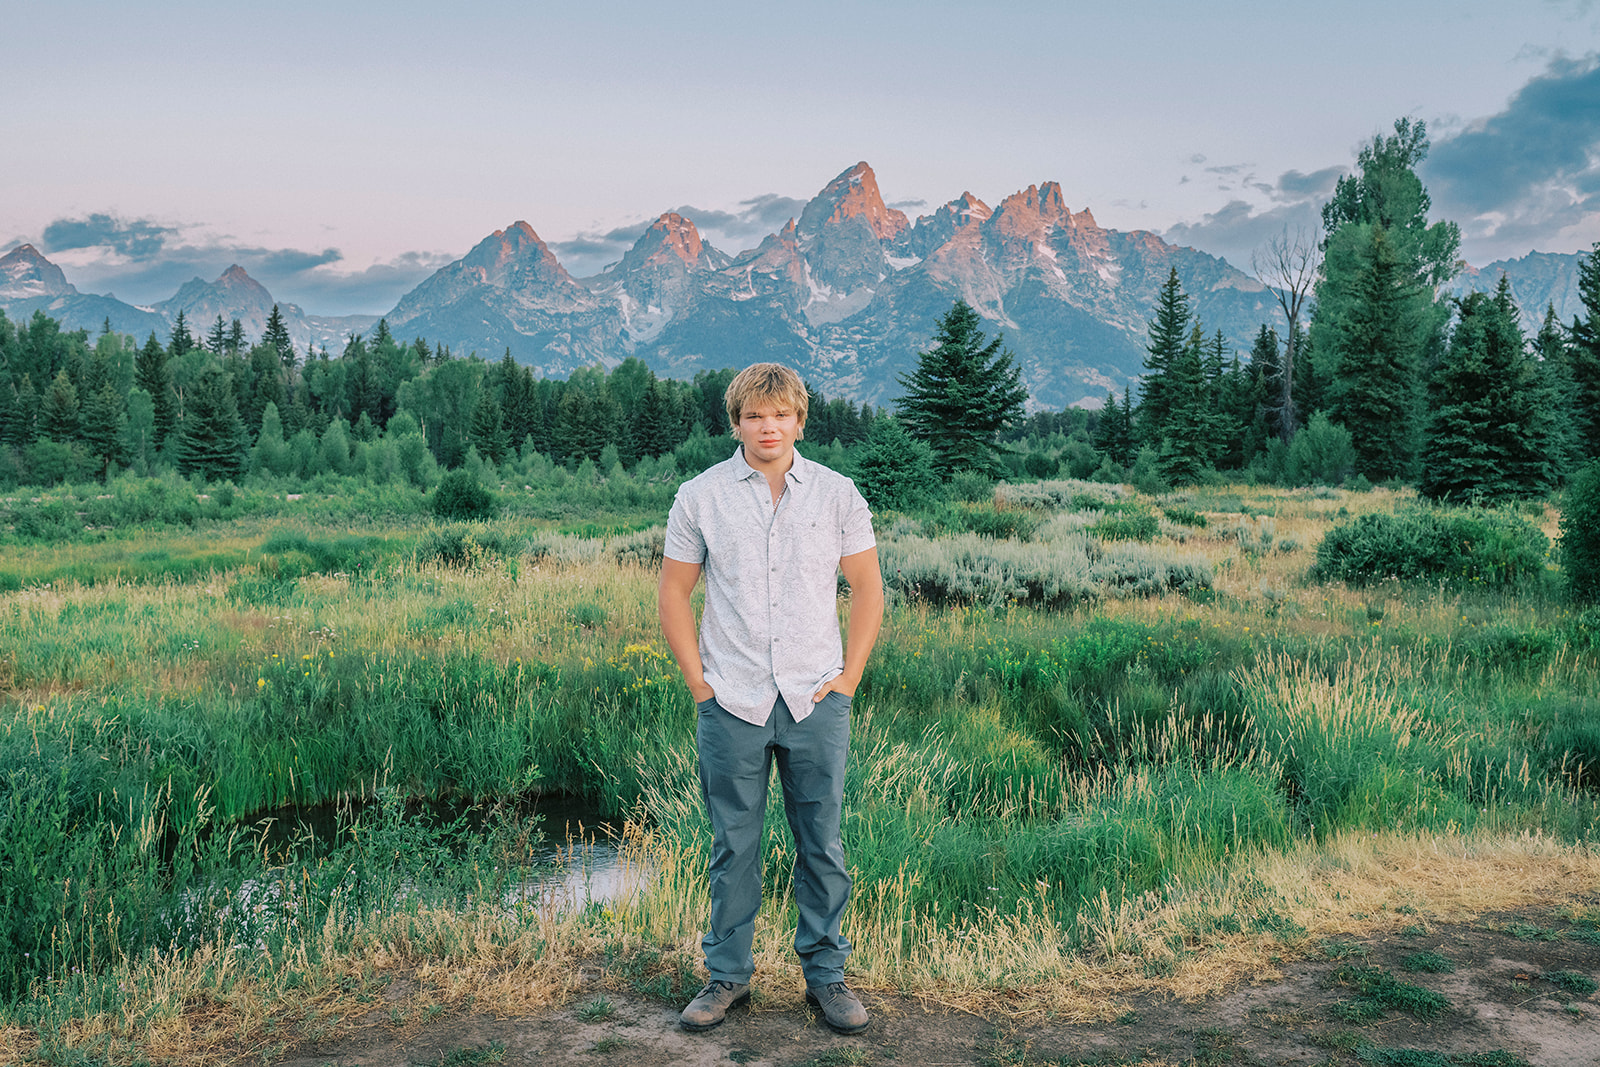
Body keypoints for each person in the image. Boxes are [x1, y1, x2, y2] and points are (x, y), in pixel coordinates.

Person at [658, 362, 884, 1035]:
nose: (768, 426)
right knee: (733, 844)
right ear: (737, 422)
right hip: (732, 700)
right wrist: (701, 683)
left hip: (817, 697)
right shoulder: (700, 496)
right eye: (755, 415)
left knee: (822, 843)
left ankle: (827, 977)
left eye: (780, 414)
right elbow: (674, 594)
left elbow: (869, 588)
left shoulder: (838, 494)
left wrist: (849, 678)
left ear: (799, 421)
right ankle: (727, 977)